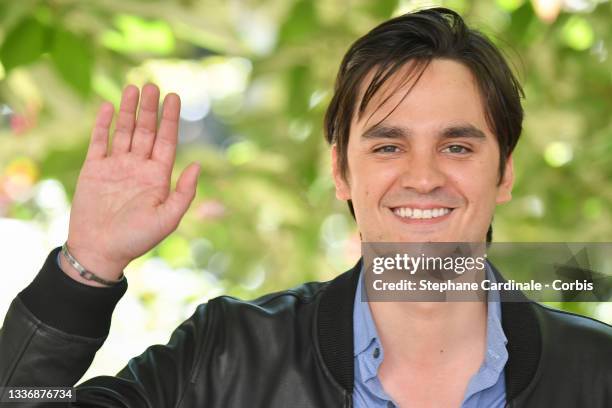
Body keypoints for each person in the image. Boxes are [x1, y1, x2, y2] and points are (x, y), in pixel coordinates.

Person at [1, 7, 610, 408]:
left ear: (504, 171)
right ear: (342, 171)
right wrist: (86, 267)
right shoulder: (225, 359)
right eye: (388, 145)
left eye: (456, 145)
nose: (423, 178)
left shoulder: (597, 371)